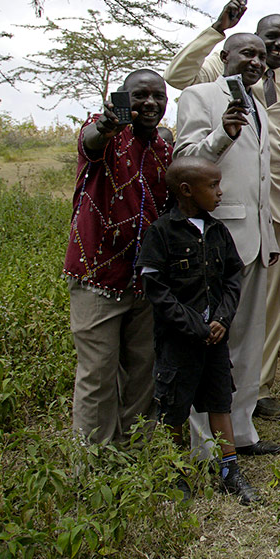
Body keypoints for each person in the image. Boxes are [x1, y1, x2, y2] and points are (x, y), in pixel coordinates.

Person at [163, 0, 280, 422]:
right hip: (220, 224)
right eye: (257, 46)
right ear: (229, 54)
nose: (266, 54)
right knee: (214, 329)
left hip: (270, 221)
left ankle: (248, 413)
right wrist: (218, 29)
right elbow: (178, 82)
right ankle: (207, 434)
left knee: (258, 324)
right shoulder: (210, 85)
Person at [174, 32, 280, 456]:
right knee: (212, 343)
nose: (256, 61)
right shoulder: (199, 97)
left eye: (261, 56)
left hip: (255, 242)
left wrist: (268, 234)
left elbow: (261, 179)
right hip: (216, 239)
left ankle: (241, 432)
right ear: (225, 56)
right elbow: (185, 161)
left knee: (249, 342)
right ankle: (206, 447)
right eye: (247, 53)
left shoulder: (259, 107)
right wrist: (223, 133)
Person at [137, 157, 259, 504]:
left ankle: (229, 472)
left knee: (220, 401)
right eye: (213, 186)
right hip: (178, 342)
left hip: (215, 340)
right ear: (187, 191)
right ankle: (177, 473)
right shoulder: (161, 232)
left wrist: (222, 319)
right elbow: (156, 289)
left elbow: (233, 277)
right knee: (174, 407)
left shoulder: (218, 231)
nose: (220, 192)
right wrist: (194, 325)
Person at [65, 71, 171, 445]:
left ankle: (135, 454)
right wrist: (108, 125)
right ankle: (92, 463)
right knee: (98, 373)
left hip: (144, 280)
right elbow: (92, 141)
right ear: (121, 99)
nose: (150, 103)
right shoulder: (104, 134)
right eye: (139, 96)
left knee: (143, 371)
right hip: (99, 277)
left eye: (158, 96)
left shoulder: (163, 148)